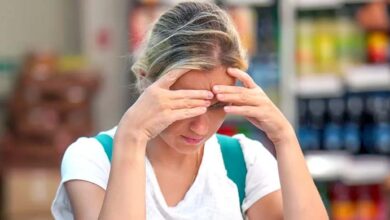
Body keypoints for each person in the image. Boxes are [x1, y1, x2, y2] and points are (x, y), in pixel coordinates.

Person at [51, 2, 328, 219]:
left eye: (216, 106)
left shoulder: (245, 162)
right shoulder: (93, 160)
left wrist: (284, 136)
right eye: (184, 104)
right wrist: (132, 136)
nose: (200, 126)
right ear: (146, 79)